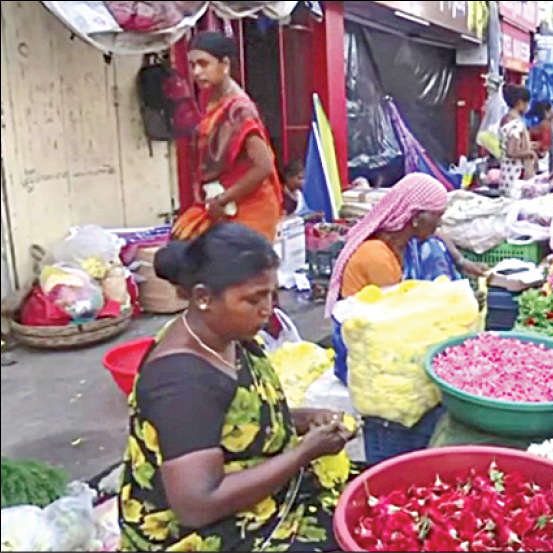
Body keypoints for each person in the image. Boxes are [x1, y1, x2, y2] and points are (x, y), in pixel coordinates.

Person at [119, 223, 356, 551]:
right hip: (201, 535)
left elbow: (235, 420)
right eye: (253, 299)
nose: (268, 308)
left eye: (272, 294)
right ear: (203, 298)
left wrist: (302, 419)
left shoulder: (227, 335)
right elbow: (197, 505)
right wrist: (304, 453)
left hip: (256, 500)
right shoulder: (182, 382)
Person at [171, 32, 284, 243]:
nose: (196, 72)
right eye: (193, 65)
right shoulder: (212, 98)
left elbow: (264, 166)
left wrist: (221, 200)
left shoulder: (239, 109)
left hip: (249, 208)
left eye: (204, 64)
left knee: (241, 272)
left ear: (224, 64)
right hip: (222, 204)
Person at [325, 173, 488, 316]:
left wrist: (461, 261)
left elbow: (439, 236)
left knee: (434, 247)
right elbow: (400, 314)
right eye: (437, 216)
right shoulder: (376, 255)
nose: (439, 223)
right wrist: (460, 304)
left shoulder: (403, 239)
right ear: (416, 217)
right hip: (374, 335)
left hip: (396, 317)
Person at [499, 85, 538, 188]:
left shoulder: (506, 119)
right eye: (527, 103)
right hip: (515, 174)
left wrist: (529, 145)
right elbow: (512, 151)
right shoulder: (516, 124)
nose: (528, 106)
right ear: (520, 103)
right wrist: (531, 153)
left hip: (506, 173)